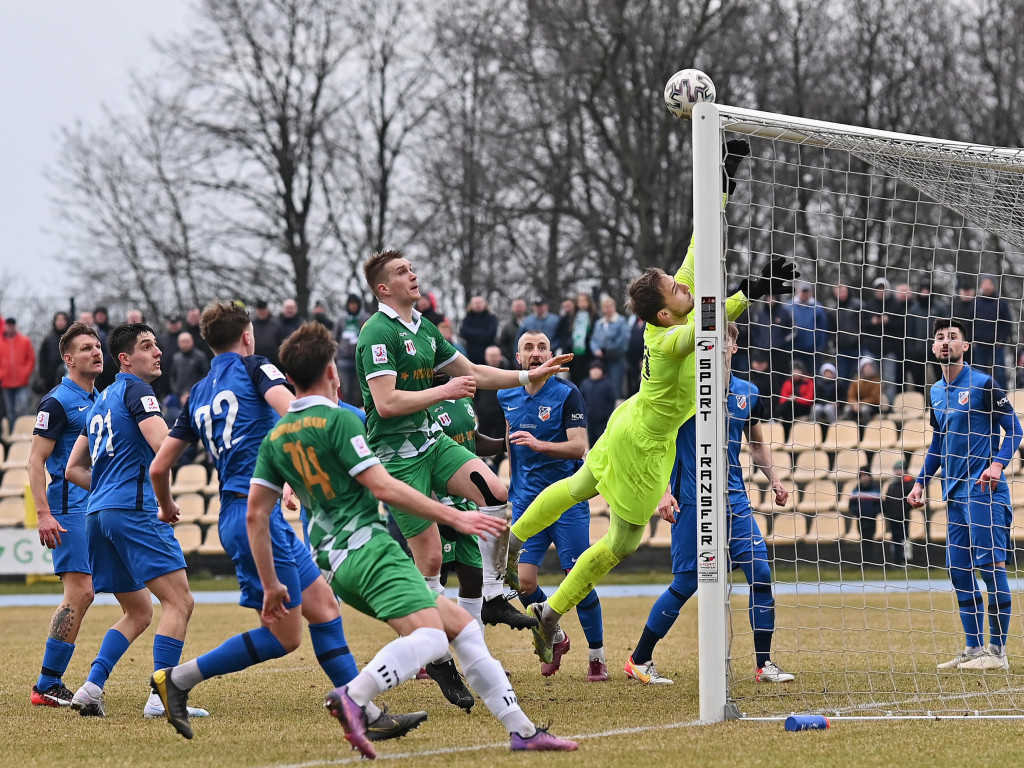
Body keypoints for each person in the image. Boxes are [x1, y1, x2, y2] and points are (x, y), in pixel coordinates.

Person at [505, 141, 794, 665]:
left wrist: (726, 173)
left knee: (577, 487)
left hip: (626, 422)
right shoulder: (666, 341)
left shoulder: (670, 308)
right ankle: (552, 609)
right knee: (621, 543)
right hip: (645, 447)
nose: (685, 287)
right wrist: (753, 290)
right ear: (664, 314)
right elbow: (703, 331)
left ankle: (514, 543)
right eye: (677, 291)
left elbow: (701, 237)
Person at [241, 322, 577, 756]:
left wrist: (271, 584)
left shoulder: (276, 438)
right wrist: (454, 514)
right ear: (331, 373)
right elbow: (385, 487)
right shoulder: (342, 419)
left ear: (290, 379)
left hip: (334, 560)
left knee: (461, 629)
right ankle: (354, 696)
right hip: (369, 553)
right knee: (435, 638)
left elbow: (254, 514)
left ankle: (524, 732)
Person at [148, 303, 423, 741]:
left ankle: (362, 711)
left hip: (242, 512)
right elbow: (297, 414)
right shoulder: (256, 368)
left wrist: (165, 507)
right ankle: (177, 680)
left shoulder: (197, 392)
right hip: (255, 514)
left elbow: (159, 468)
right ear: (248, 336)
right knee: (283, 637)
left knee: (324, 607)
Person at [356, 249, 572, 639]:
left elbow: (472, 372)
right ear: (384, 288)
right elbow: (386, 404)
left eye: (412, 268)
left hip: (430, 442)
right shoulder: (377, 331)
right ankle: (433, 652)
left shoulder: (424, 328)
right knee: (432, 560)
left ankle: (492, 594)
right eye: (403, 272)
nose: (413, 275)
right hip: (396, 456)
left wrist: (529, 375)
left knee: (494, 490)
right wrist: (445, 392)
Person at [626, 323, 793, 685]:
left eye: (724, 342)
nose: (717, 348)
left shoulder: (748, 393)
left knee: (761, 575)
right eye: (710, 343)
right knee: (687, 582)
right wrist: (663, 491)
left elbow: (757, 444)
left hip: (735, 500)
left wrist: (776, 480)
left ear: (734, 348)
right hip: (692, 500)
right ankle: (639, 659)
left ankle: (764, 665)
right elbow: (660, 443)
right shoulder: (682, 394)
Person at [63, 323, 199, 719]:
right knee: (180, 601)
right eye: (146, 346)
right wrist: (165, 501)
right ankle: (162, 698)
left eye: (157, 344)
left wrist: (108, 490)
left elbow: (73, 469)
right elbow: (162, 448)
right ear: (125, 359)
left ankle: (90, 688)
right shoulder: (139, 391)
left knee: (139, 611)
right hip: (133, 512)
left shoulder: (101, 399)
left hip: (98, 516)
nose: (157, 352)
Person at [908, 318, 1022, 671]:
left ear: (965, 346)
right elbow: (938, 443)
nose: (946, 343)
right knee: (958, 571)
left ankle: (998, 653)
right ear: (933, 347)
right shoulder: (936, 392)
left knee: (990, 568)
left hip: (985, 491)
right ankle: (973, 649)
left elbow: (1015, 430)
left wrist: (998, 464)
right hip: (954, 494)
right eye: (940, 338)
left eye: (953, 338)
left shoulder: (984, 384)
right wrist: (920, 481)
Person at [499, 331, 607, 681]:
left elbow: (579, 447)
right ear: (518, 358)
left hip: (566, 501)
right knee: (520, 581)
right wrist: (512, 493)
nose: (536, 353)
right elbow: (510, 445)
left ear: (551, 354)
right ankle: (555, 634)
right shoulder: (507, 394)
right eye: (528, 348)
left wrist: (540, 445)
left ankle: (597, 657)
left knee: (578, 579)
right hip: (528, 503)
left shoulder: (567, 393)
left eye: (542, 347)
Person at [27, 322, 104, 708]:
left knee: (130, 596)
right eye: (86, 347)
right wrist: (44, 513)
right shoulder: (56, 402)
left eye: (98, 345)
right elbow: (36, 461)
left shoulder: (100, 399)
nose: (96, 351)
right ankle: (46, 684)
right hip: (68, 506)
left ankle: (91, 679)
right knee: (81, 591)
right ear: (68, 358)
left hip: (97, 506)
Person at [333, 293, 371, 407]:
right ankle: (348, 409)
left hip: (360, 358)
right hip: (344, 359)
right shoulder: (341, 319)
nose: (353, 307)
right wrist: (337, 352)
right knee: (346, 388)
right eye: (351, 304)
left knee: (359, 388)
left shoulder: (365, 318)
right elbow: (335, 336)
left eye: (355, 304)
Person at [590, 295, 630, 399]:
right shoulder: (599, 323)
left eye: (609, 306)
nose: (607, 309)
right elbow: (594, 339)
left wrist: (607, 349)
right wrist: (596, 350)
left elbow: (623, 339)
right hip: (602, 360)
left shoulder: (621, 321)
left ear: (614, 307)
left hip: (616, 359)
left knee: (615, 386)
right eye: (605, 307)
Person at [788, 282, 829, 374]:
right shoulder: (789, 306)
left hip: (813, 349)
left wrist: (821, 346)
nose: (804, 294)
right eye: (803, 291)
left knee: (813, 374)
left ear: (811, 293)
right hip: (795, 349)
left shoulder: (818, 307)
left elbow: (823, 327)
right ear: (798, 292)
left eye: (807, 292)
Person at [0, 317, 37, 418]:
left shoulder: (24, 341)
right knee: (10, 410)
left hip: (22, 382)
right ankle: (13, 432)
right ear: (5, 326)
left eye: (12, 326)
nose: (10, 328)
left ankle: (24, 431)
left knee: (23, 407)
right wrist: (2, 374)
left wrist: (26, 372)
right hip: (6, 383)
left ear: (15, 326)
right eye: (8, 325)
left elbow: (31, 358)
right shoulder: (1, 343)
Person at [882, 460, 915, 567]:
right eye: (896, 470)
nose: (898, 472)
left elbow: (910, 501)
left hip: (903, 516)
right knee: (895, 539)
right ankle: (897, 560)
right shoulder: (892, 485)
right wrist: (888, 512)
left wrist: (904, 510)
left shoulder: (909, 484)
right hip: (893, 516)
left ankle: (907, 560)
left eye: (900, 470)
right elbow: (887, 499)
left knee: (905, 538)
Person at [848, 467, 883, 565]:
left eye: (866, 476)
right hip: (861, 519)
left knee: (870, 539)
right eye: (862, 476)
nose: (864, 478)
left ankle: (871, 561)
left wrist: (873, 513)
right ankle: (864, 562)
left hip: (872, 519)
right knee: (863, 540)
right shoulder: (856, 490)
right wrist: (860, 512)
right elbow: (851, 506)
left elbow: (880, 505)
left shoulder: (875, 490)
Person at [579, 360, 616, 448]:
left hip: (602, 420)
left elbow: (611, 400)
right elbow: (580, 400)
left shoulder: (607, 384)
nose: (595, 371)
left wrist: (606, 413)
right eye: (593, 369)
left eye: (598, 369)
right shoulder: (585, 384)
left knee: (601, 442)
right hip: (590, 419)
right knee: (591, 442)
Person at [775, 360, 814, 441]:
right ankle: (786, 434)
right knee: (786, 407)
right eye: (793, 370)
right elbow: (782, 399)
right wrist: (790, 398)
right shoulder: (787, 383)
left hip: (804, 407)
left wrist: (796, 399)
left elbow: (809, 400)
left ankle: (784, 433)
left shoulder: (809, 382)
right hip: (789, 409)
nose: (795, 372)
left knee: (786, 407)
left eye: (797, 370)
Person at [35, 311, 71, 395]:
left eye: (63, 320)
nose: (60, 322)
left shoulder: (72, 338)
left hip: (68, 375)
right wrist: (42, 377)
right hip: (51, 378)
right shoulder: (48, 340)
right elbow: (42, 360)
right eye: (58, 320)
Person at [842, 357, 882, 430]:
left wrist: (860, 404)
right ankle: (850, 431)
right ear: (862, 369)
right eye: (866, 367)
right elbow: (850, 396)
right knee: (847, 409)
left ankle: (867, 431)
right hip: (856, 405)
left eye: (870, 366)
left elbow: (875, 398)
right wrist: (854, 403)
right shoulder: (856, 381)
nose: (868, 368)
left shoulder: (876, 381)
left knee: (864, 410)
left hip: (872, 406)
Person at [459, 295, 498, 365]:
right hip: (470, 354)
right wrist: (482, 332)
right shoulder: (467, 319)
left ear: (485, 304)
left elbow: (491, 333)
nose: (478, 305)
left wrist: (473, 335)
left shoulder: (491, 318)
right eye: (475, 303)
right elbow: (464, 332)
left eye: (479, 303)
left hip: (488, 355)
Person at [811, 362, 838, 441]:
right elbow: (816, 398)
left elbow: (842, 398)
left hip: (833, 407)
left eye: (830, 373)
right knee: (816, 408)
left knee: (828, 409)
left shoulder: (838, 384)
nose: (828, 375)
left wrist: (837, 404)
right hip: (821, 404)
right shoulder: (818, 384)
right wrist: (826, 403)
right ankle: (812, 433)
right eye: (826, 373)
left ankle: (835, 432)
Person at [251, 300, 282, 367]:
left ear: (267, 310)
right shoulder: (251, 325)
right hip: (256, 362)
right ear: (256, 311)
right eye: (260, 310)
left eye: (263, 310)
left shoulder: (276, 324)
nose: (262, 312)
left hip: (274, 362)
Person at [497, 298, 528, 362]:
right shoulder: (507, 327)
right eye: (517, 306)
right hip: (514, 364)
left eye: (521, 306)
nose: (519, 309)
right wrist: (511, 356)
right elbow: (501, 344)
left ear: (525, 307)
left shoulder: (531, 324)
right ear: (512, 308)